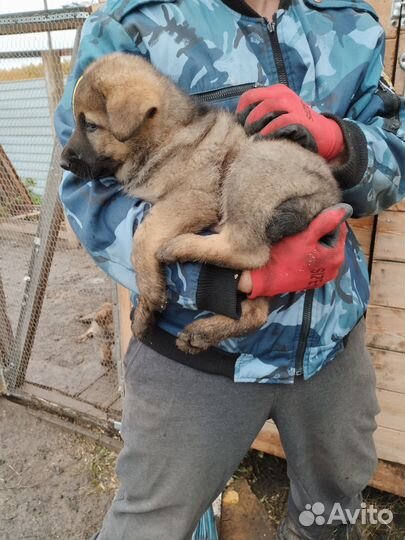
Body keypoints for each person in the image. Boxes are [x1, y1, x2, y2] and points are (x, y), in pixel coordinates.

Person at [55, 1, 405, 538]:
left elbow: (396, 152)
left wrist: (340, 140)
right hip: (194, 357)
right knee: (153, 524)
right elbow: (87, 194)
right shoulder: (135, 21)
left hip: (329, 341)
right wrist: (227, 280)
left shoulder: (350, 19)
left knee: (331, 509)